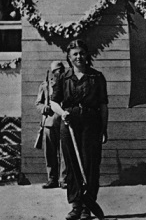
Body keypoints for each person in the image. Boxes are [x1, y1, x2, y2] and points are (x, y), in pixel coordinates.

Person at [50, 40, 108, 220]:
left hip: (91, 122)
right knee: (72, 165)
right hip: (69, 123)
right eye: (74, 54)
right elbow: (53, 102)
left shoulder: (96, 77)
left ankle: (87, 207)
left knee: (90, 164)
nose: (78, 57)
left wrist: (104, 129)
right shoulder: (63, 77)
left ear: (87, 55)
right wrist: (63, 113)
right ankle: (76, 206)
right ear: (69, 57)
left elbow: (103, 105)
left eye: (82, 53)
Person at [35, 61, 67, 189]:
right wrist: (45, 108)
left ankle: (64, 179)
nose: (58, 73)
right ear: (51, 72)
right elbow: (38, 103)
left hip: (64, 122)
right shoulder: (45, 86)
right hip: (49, 122)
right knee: (50, 152)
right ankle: (52, 179)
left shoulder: (68, 83)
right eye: (55, 71)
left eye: (60, 70)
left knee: (65, 153)